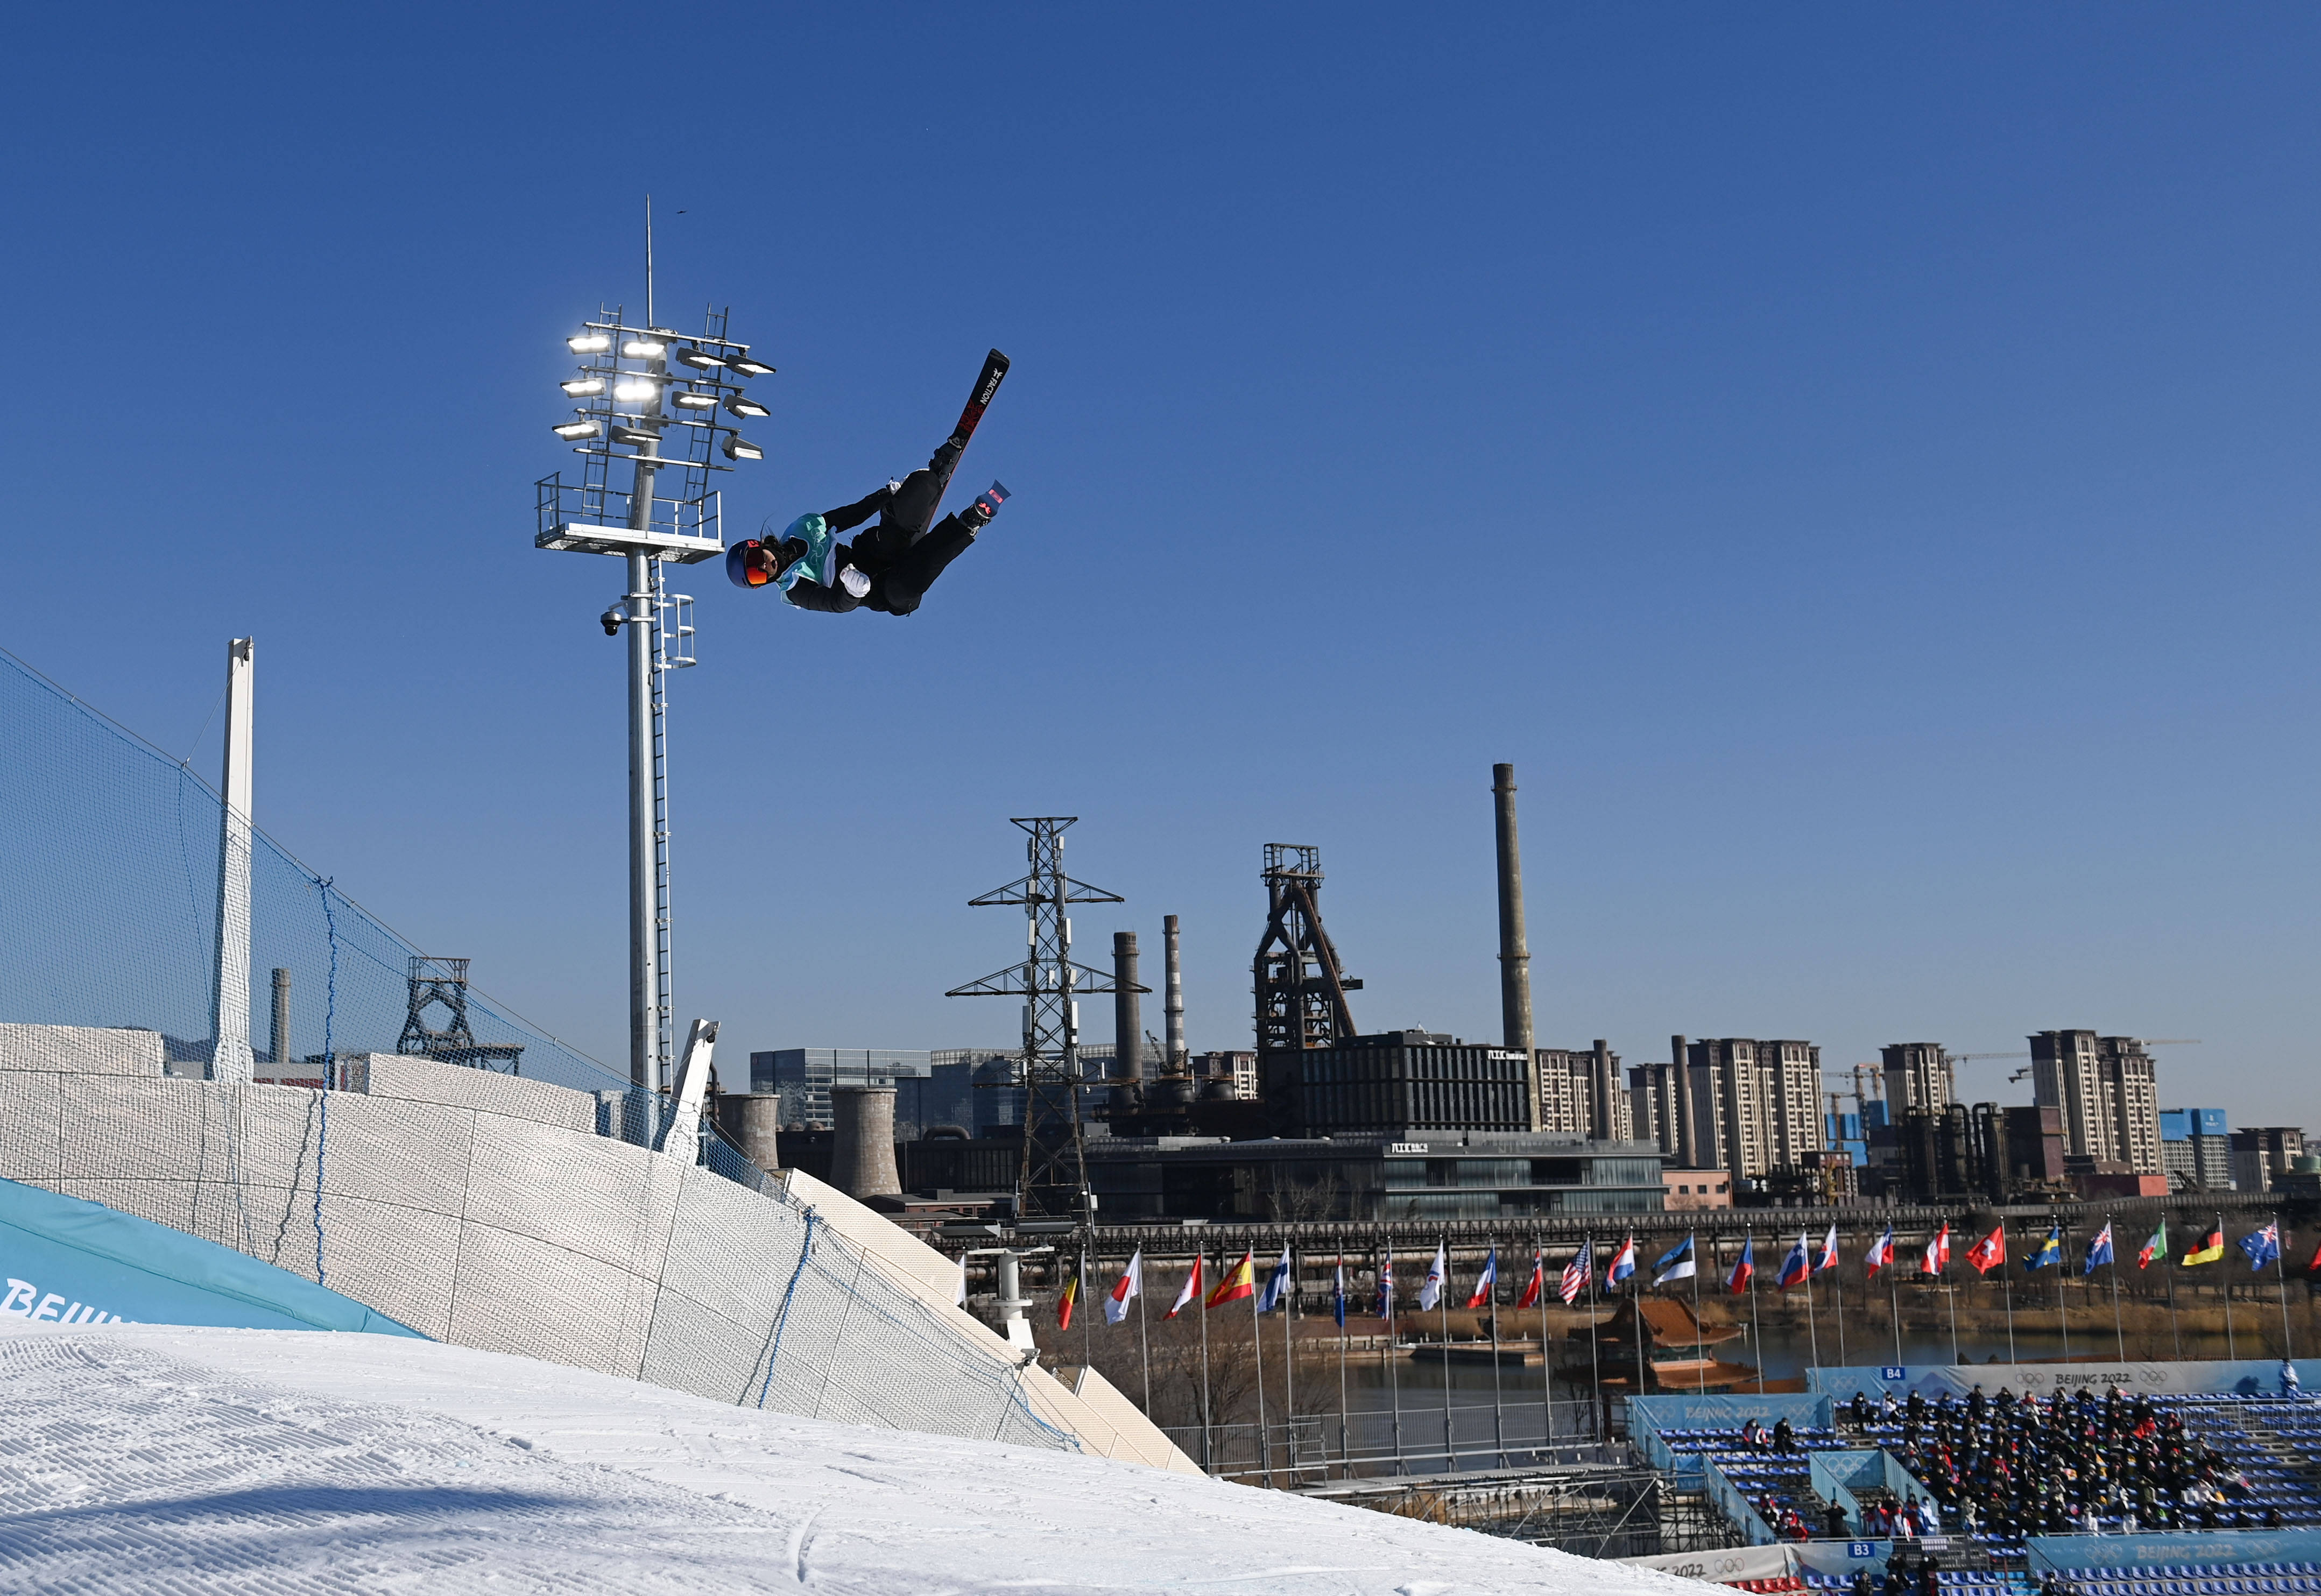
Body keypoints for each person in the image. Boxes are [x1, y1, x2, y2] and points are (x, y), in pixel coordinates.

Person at [726, 349, 1012, 617]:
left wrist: (887, 494)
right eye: (757, 575)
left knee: (915, 497)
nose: (764, 567)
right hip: (878, 592)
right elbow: (834, 604)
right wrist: (852, 593)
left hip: (870, 552)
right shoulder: (794, 588)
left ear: (757, 545)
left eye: (755, 561)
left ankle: (935, 472)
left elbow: (851, 514)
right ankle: (969, 523)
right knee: (905, 590)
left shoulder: (803, 528)